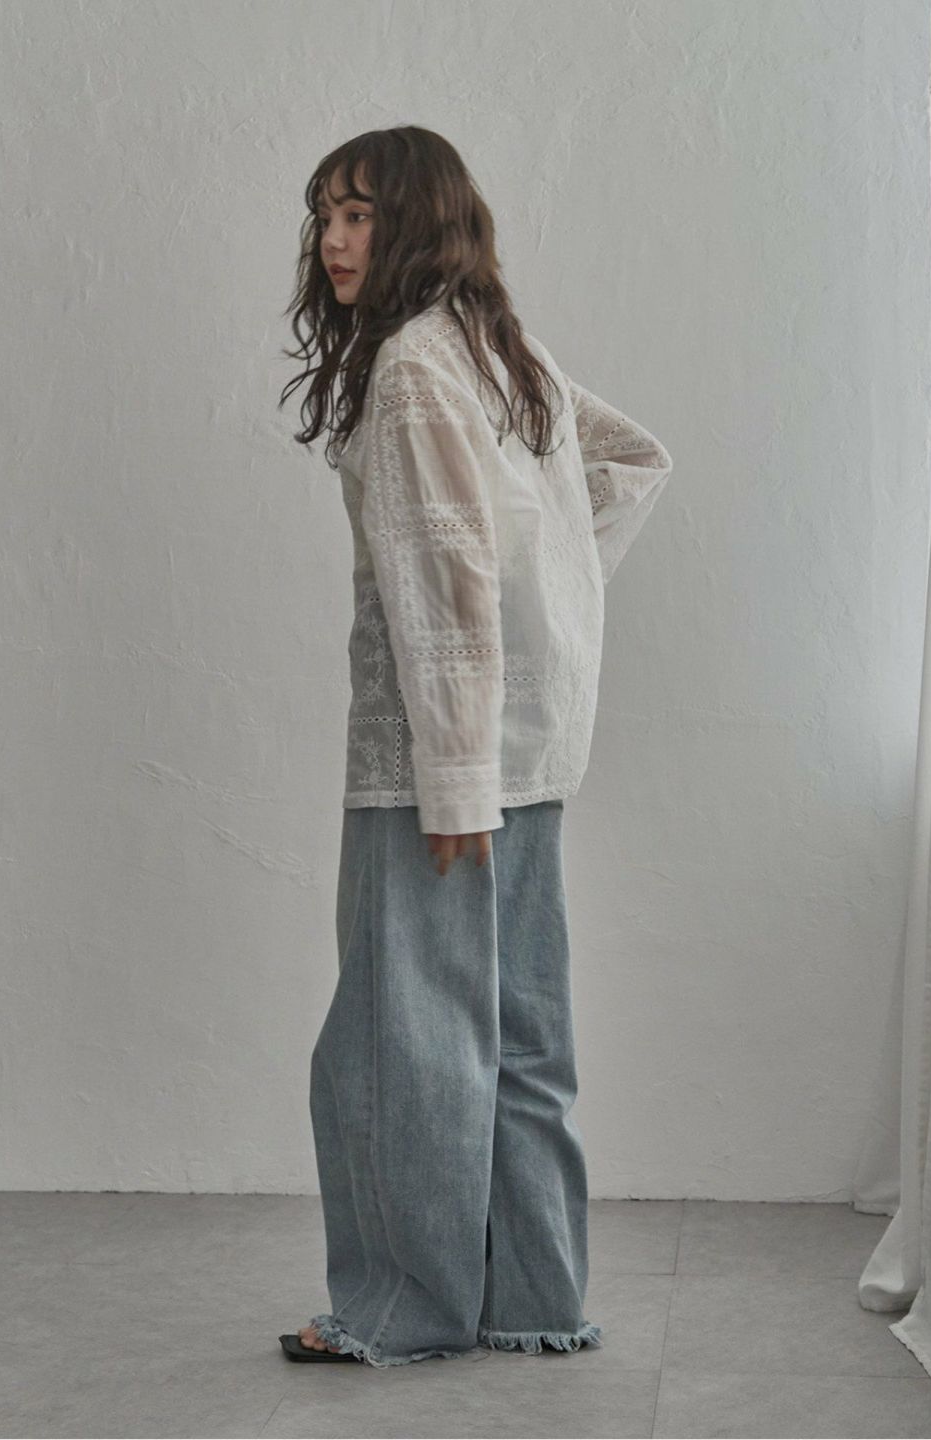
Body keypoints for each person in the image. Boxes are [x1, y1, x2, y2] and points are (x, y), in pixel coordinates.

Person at [276, 127, 673, 1368]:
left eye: (359, 216)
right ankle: (535, 1298)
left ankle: (403, 1309)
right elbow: (632, 464)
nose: (334, 242)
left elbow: (445, 577)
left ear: (417, 222)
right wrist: (554, 598)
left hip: (434, 766)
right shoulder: (500, 347)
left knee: (396, 1044)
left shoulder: (411, 365)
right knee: (518, 1033)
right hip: (533, 745)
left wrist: (454, 779)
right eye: (325, 217)